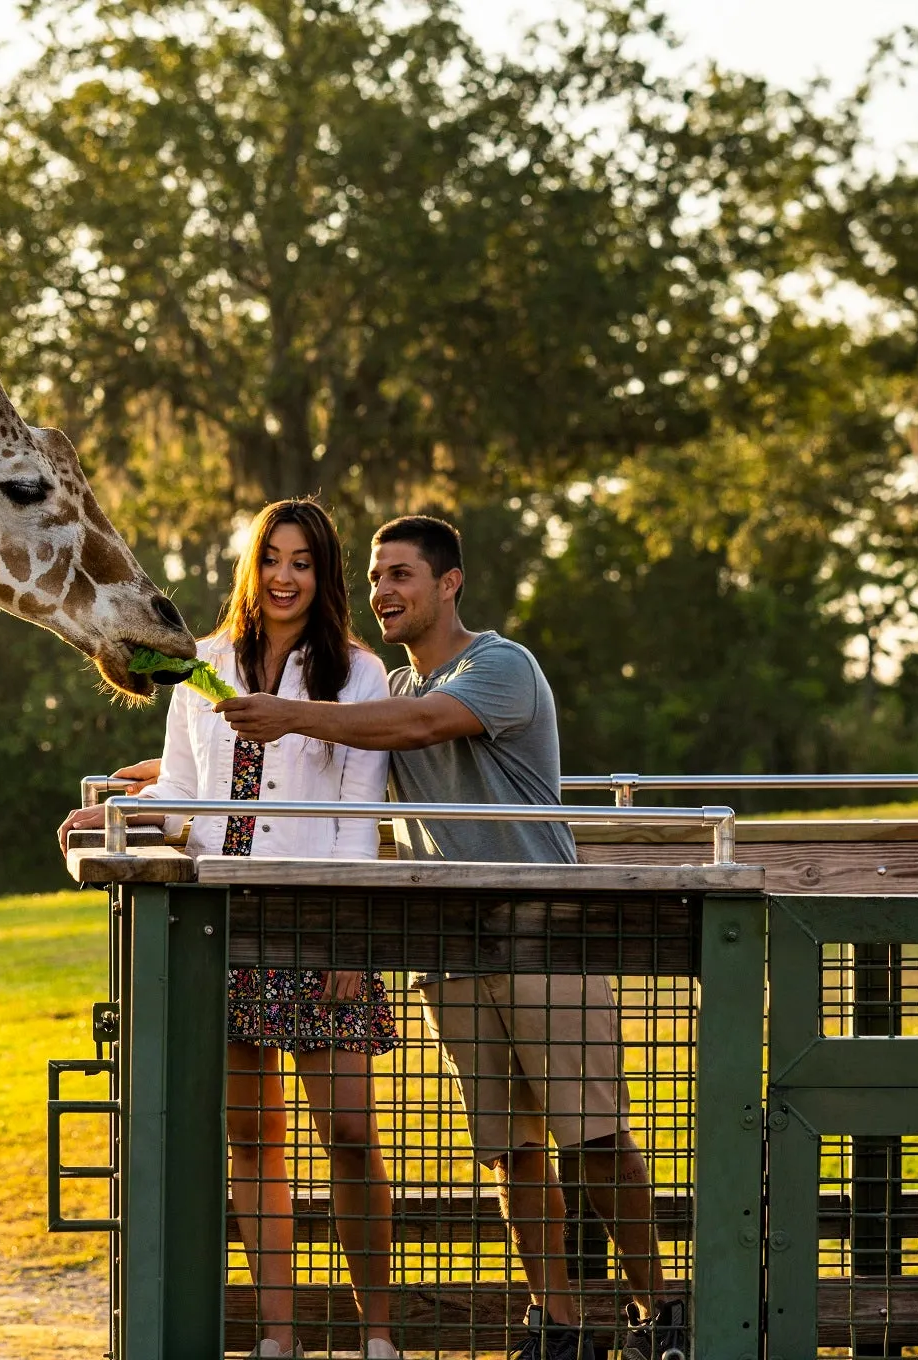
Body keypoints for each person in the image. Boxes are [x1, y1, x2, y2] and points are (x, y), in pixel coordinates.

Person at [213, 514, 687, 1360]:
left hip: (548, 934)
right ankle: (561, 1329)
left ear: (449, 583)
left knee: (596, 1138)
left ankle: (665, 1314)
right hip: (455, 953)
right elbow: (309, 767)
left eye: (401, 575)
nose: (384, 592)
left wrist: (288, 712)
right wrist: (147, 783)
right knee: (511, 1152)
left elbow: (420, 729)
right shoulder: (382, 692)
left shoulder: (497, 666)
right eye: (375, 578)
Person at [61, 498, 400, 1360]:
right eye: (273, 558)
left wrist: (352, 943)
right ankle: (279, 1337)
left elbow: (359, 815)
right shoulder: (202, 664)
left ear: (323, 578)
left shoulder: (356, 675)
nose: (286, 576)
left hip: (319, 928)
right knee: (253, 1140)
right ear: (252, 566)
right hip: (224, 925)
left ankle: (379, 1337)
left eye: (305, 562)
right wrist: (117, 818)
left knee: (353, 1137)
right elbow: (184, 789)